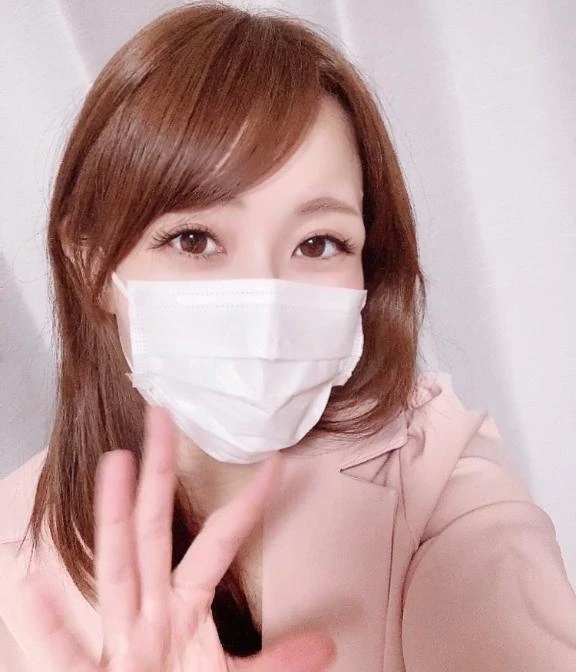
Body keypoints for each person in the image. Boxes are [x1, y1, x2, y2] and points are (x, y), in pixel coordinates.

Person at [1, 2, 575, 671]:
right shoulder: (13, 547)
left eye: (318, 242)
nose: (265, 298)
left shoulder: (437, 473)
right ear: (93, 266)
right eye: (194, 239)